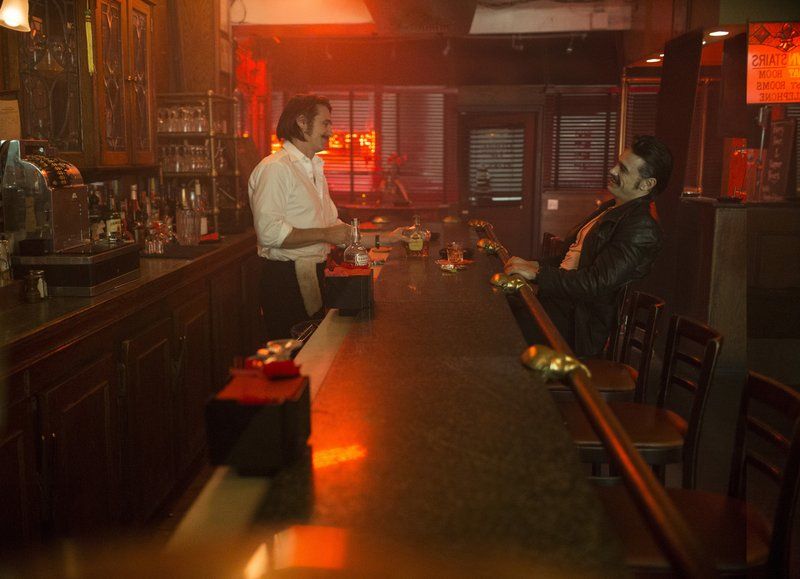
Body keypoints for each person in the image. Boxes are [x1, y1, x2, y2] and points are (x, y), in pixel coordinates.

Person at [504, 135, 673, 358]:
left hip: (576, 326)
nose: (612, 170)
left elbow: (596, 283)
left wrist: (537, 273)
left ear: (647, 184)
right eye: (617, 163)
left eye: (623, 169)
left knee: (499, 329)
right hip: (559, 305)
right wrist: (532, 264)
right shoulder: (612, 209)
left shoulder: (641, 226)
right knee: (497, 309)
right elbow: (572, 257)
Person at [248, 94, 351, 340]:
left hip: (313, 274)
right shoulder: (276, 168)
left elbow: (333, 227)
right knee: (296, 355)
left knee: (314, 353)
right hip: (286, 281)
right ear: (302, 122)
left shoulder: (314, 168)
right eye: (325, 123)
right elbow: (270, 233)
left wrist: (387, 239)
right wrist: (327, 234)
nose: (331, 131)